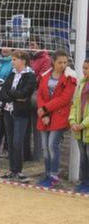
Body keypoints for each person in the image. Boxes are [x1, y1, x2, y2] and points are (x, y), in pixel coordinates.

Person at [35, 50, 76, 188]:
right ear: (53, 61)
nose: (63, 65)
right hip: (45, 116)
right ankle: (47, 174)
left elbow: (64, 98)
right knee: (45, 148)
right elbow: (40, 94)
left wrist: (45, 109)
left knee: (53, 145)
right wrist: (44, 114)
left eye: (65, 62)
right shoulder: (45, 75)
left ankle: (54, 175)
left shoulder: (70, 77)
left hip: (59, 115)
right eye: (60, 62)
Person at [0, 50, 37, 182]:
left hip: (21, 113)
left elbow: (25, 93)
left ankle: (18, 170)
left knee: (17, 142)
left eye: (14, 60)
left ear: (23, 61)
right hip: (8, 111)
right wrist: (14, 96)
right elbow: (3, 92)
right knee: (10, 142)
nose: (12, 62)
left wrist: (12, 95)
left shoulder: (30, 75)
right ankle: (12, 170)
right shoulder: (12, 74)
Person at [69, 58, 89, 193]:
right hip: (79, 127)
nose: (84, 70)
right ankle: (84, 181)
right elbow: (75, 105)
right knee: (83, 156)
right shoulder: (81, 84)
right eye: (83, 68)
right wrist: (72, 121)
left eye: (87, 68)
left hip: (85, 126)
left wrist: (83, 124)